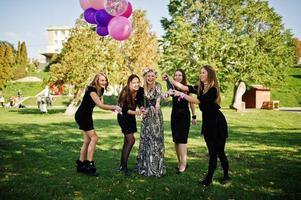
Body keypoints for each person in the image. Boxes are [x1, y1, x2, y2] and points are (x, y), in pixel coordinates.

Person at [172, 65, 230, 186]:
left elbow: (197, 101)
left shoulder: (213, 90)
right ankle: (208, 179)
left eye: (203, 72)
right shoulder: (200, 88)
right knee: (212, 152)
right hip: (208, 123)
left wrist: (180, 94)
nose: (201, 74)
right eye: (200, 72)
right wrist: (168, 79)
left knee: (219, 151)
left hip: (218, 123)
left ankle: (225, 175)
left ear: (209, 74)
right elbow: (184, 86)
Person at [75, 73, 121, 176]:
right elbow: (100, 105)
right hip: (82, 116)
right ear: (97, 81)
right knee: (94, 138)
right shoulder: (92, 90)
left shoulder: (101, 90)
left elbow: (101, 105)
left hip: (86, 115)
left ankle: (81, 165)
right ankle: (89, 165)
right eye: (101, 80)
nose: (104, 82)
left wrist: (111, 109)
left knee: (87, 140)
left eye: (105, 80)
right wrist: (114, 106)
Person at [163, 69, 197, 174]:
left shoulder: (187, 88)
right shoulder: (172, 87)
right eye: (176, 75)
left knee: (182, 140)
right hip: (174, 116)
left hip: (184, 116)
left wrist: (194, 116)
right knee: (176, 140)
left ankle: (184, 163)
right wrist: (166, 95)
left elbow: (191, 102)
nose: (178, 76)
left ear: (183, 77)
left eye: (180, 75)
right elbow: (167, 96)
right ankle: (180, 162)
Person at [136, 68, 166, 177]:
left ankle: (156, 167)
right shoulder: (141, 89)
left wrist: (157, 104)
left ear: (155, 77)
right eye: (148, 76)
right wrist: (142, 109)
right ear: (145, 77)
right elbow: (140, 102)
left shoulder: (158, 85)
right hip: (146, 117)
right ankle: (145, 166)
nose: (150, 78)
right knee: (146, 139)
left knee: (156, 139)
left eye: (152, 76)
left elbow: (158, 97)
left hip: (156, 116)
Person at [117, 74, 144, 175]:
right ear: (129, 83)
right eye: (134, 83)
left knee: (127, 141)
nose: (136, 84)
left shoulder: (140, 90)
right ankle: (123, 167)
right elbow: (124, 109)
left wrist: (141, 108)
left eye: (138, 82)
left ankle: (122, 166)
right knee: (131, 140)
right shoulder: (125, 92)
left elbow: (141, 101)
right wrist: (137, 113)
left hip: (131, 117)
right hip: (124, 117)